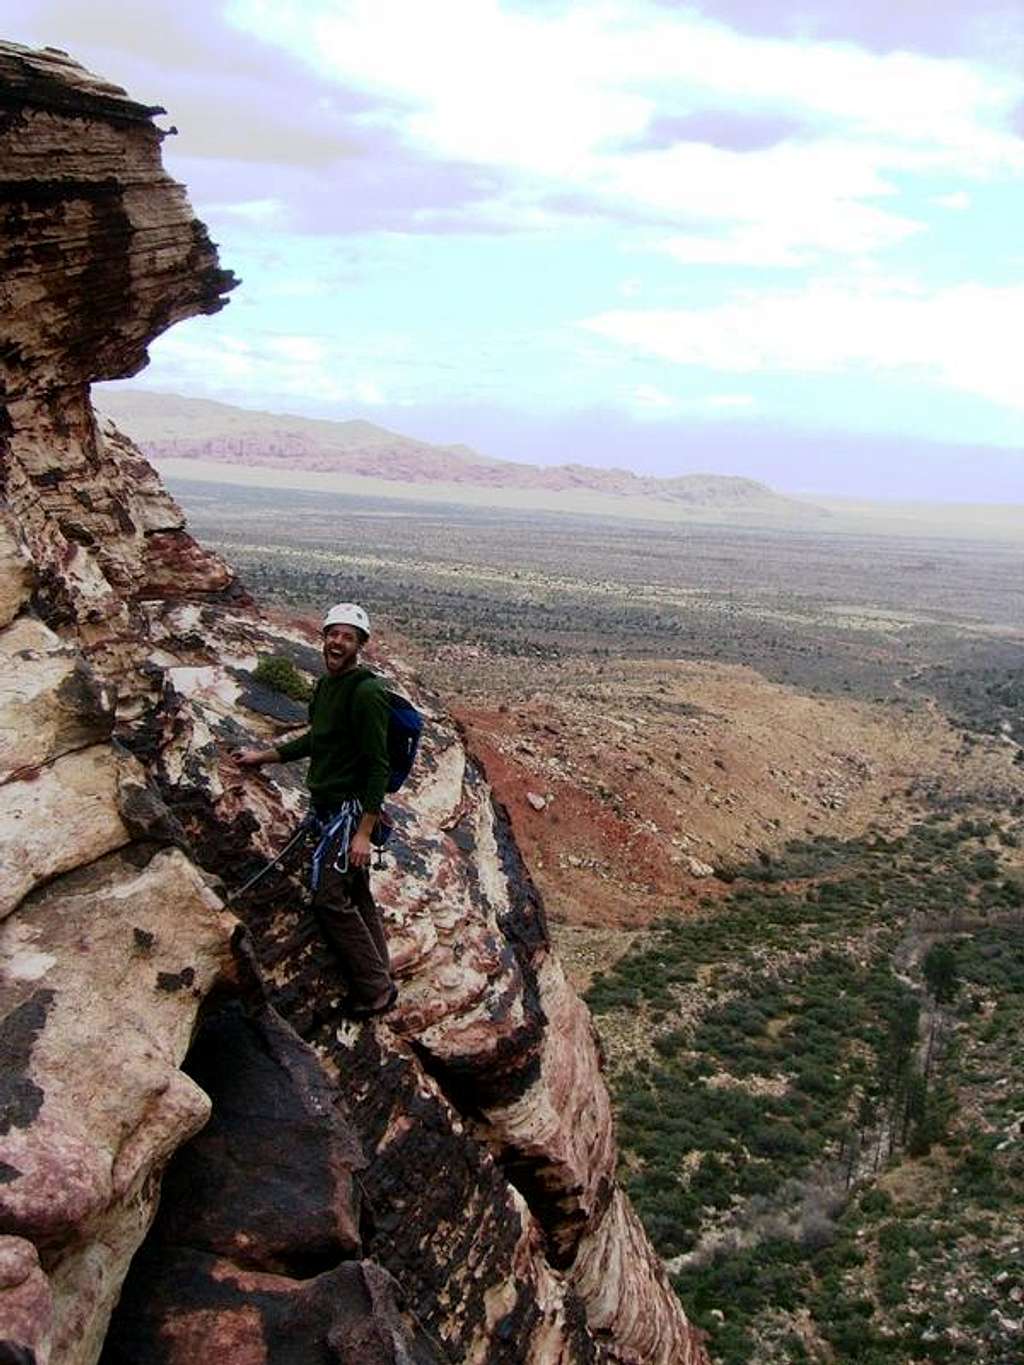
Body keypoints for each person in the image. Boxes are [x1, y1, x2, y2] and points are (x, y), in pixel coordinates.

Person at [238, 602, 397, 1018]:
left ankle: (376, 989)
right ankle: (381, 974)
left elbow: (377, 765)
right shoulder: (327, 687)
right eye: (332, 634)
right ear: (323, 638)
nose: (337, 642)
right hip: (329, 808)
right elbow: (318, 741)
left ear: (360, 644)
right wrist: (266, 756)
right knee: (355, 893)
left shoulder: (367, 693)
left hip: (348, 815)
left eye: (347, 636)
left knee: (329, 897)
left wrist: (363, 832)